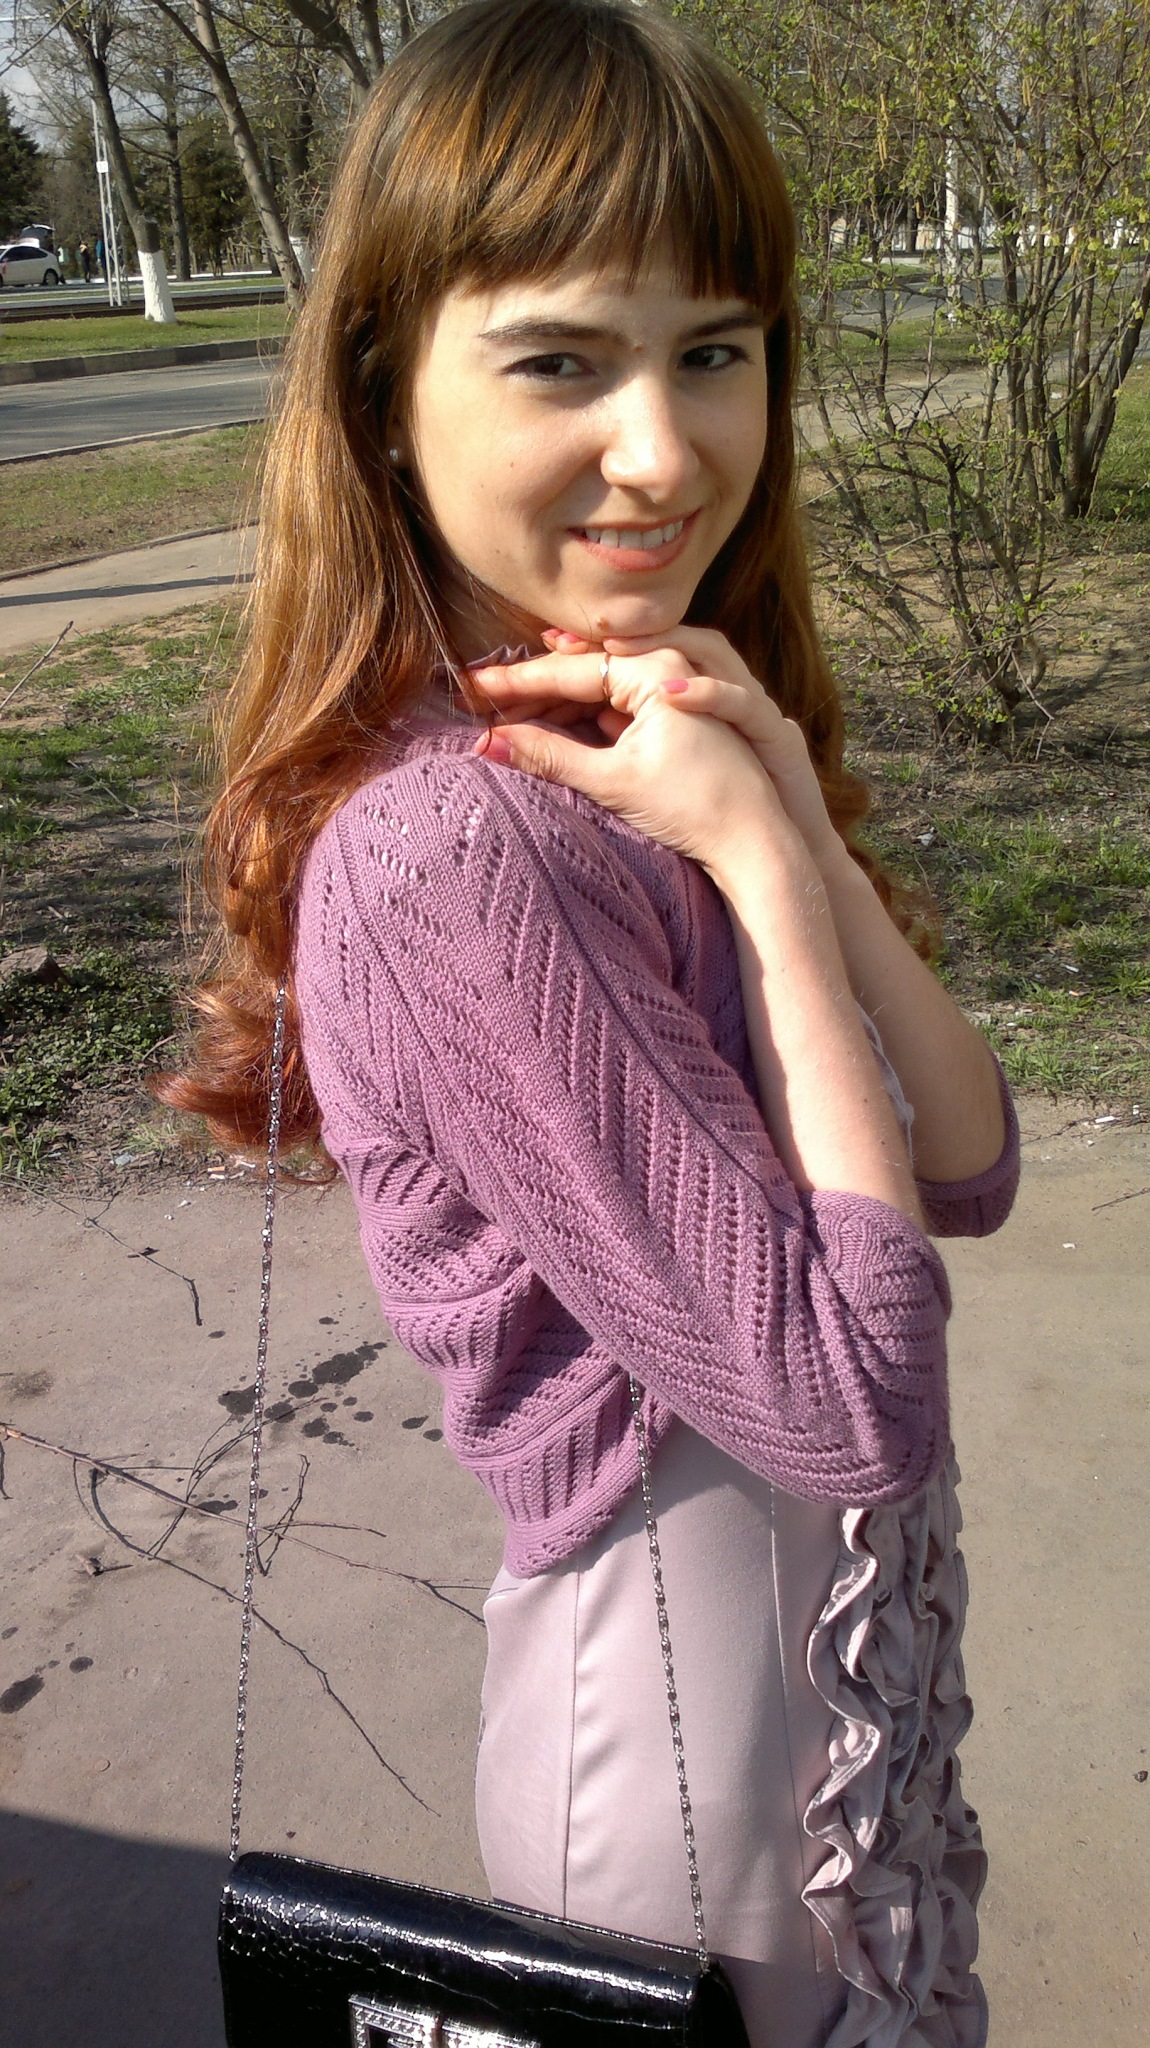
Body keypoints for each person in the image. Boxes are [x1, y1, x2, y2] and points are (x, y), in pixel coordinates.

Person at [162, 4, 1020, 2042]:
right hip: (677, 1742)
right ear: (385, 392)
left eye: (713, 350)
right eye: (559, 360)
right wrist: (769, 876)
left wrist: (780, 824)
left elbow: (966, 1163)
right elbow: (848, 1400)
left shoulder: (644, 744)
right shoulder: (454, 849)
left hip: (820, 1667)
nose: (664, 449)